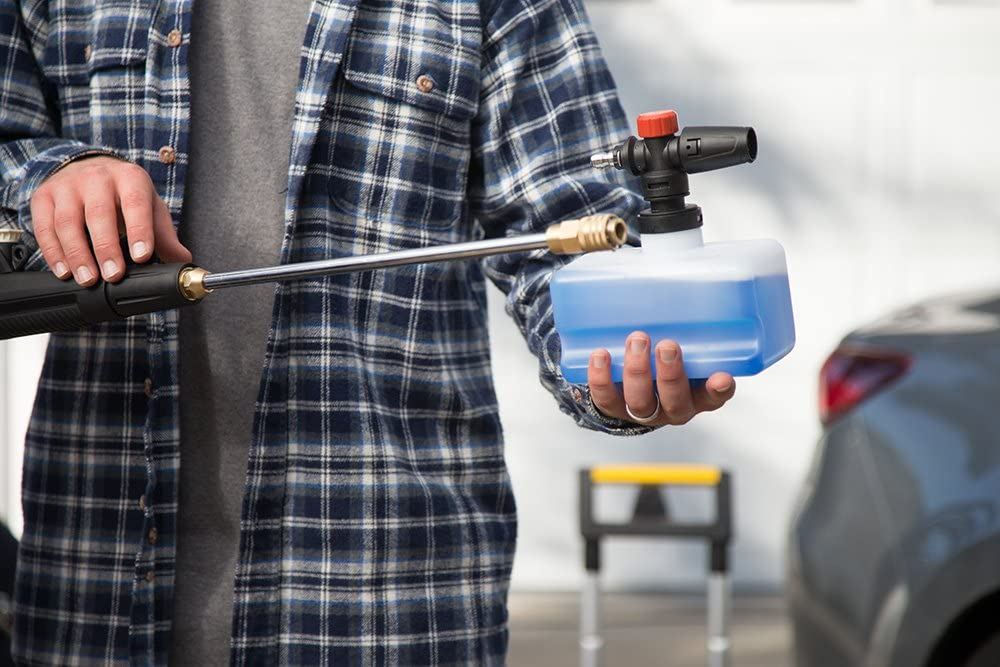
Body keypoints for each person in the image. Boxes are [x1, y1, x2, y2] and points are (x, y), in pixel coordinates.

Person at [0, 0, 736, 663]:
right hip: (90, 604)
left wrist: (616, 366)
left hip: (388, 610)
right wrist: (46, 180)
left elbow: (569, 229)